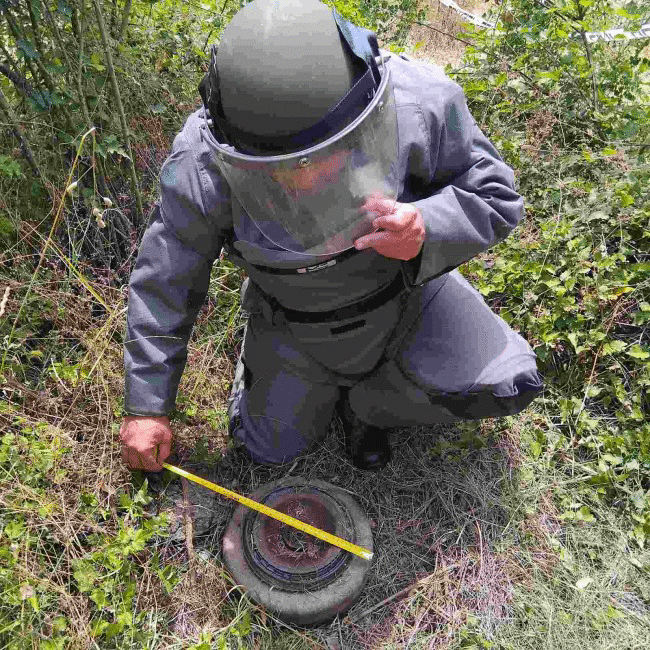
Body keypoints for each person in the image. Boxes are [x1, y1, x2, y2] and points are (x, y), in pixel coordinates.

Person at [119, 0, 543, 474]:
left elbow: (496, 195)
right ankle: (265, 365)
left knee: (508, 383)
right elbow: (166, 278)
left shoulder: (417, 100)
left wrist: (428, 226)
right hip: (293, 323)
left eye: (328, 154)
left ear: (364, 103)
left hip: (406, 297)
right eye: (278, 167)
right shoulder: (202, 159)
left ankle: (367, 406)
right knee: (266, 449)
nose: (303, 180)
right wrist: (147, 405)